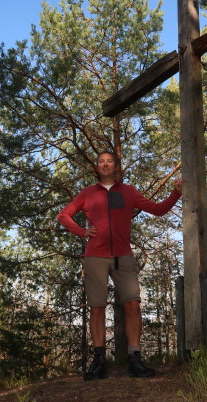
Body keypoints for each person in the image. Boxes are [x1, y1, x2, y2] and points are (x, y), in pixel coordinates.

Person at [57, 150, 182, 380]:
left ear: (116, 166)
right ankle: (99, 363)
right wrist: (83, 231)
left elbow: (158, 209)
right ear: (97, 167)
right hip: (96, 256)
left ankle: (135, 361)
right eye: (101, 161)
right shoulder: (87, 193)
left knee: (133, 304)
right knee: (97, 307)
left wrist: (175, 193)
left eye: (110, 161)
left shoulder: (128, 192)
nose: (105, 164)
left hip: (124, 256)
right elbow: (63, 215)